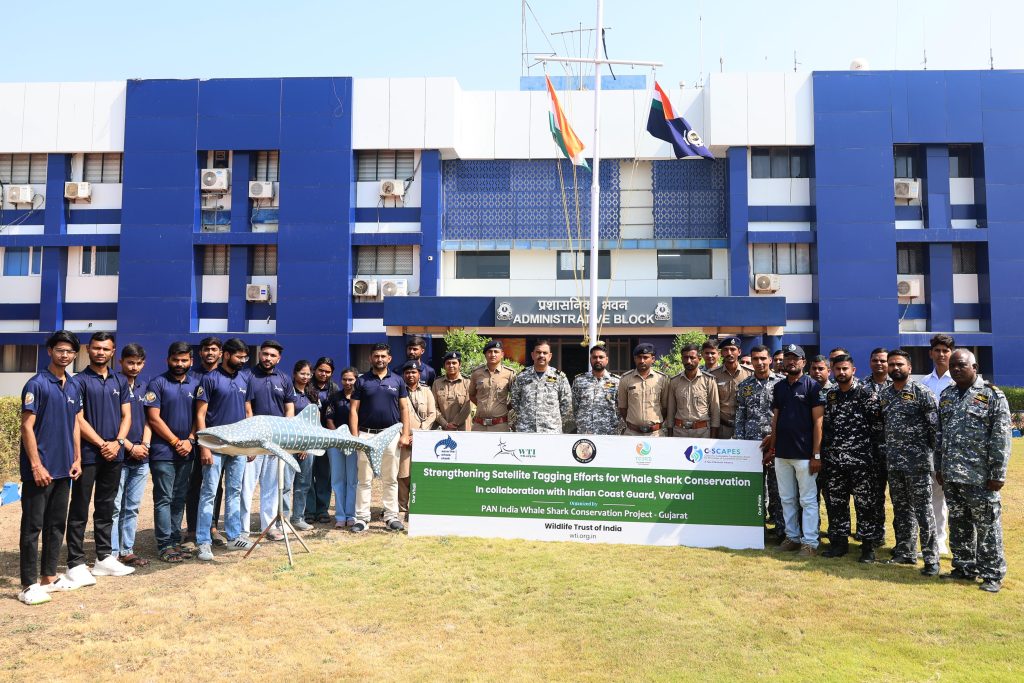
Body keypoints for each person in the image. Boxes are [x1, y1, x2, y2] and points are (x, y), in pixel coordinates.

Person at [936, 350, 1011, 593]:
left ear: (974, 367)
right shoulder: (947, 396)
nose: (956, 369)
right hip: (951, 474)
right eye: (953, 366)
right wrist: (939, 467)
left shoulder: (992, 396)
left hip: (980, 476)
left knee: (987, 525)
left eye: (961, 365)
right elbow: (940, 435)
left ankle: (992, 574)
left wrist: (997, 473)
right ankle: (964, 567)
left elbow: (1001, 438)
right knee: (959, 524)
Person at [18, 331, 84, 605]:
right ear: (50, 351)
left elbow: (75, 424)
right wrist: (35, 465)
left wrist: (77, 458)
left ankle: (49, 577)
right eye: (60, 350)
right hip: (41, 471)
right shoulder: (36, 384)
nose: (65, 355)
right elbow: (26, 426)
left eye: (69, 351)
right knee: (32, 527)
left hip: (63, 469)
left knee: (56, 525)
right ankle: (28, 584)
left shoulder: (73, 386)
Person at [66, 331, 134, 583]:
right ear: (88, 349)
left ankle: (104, 558)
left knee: (106, 507)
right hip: (87, 455)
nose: (100, 352)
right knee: (79, 508)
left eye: (105, 349)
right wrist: (101, 443)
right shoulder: (78, 381)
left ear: (113, 351)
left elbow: (127, 416)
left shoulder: (120, 381)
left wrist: (117, 443)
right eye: (96, 348)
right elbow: (77, 418)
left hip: (114, 454)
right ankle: (75, 562)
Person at [879, 349, 940, 575]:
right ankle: (905, 552)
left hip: (918, 465)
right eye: (892, 364)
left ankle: (931, 559)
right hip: (894, 464)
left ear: (909, 368)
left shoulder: (922, 393)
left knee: (924, 512)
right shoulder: (886, 395)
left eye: (900, 364)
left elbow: (935, 429)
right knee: (902, 510)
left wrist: (933, 459)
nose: (895, 368)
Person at [820, 354, 884, 562]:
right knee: (837, 504)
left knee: (865, 505)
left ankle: (868, 547)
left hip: (862, 462)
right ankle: (839, 544)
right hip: (835, 462)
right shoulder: (831, 396)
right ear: (832, 370)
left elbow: (877, 429)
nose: (841, 373)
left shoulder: (866, 395)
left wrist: (871, 457)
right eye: (837, 369)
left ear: (853, 370)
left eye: (845, 369)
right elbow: (826, 427)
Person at [195, 338, 254, 561]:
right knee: (209, 493)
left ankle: (234, 537)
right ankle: (203, 541)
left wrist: (248, 444)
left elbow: (248, 412)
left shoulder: (244, 378)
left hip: (238, 447)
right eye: (239, 356)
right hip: (214, 444)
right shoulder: (210, 379)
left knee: (234, 491)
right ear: (226, 355)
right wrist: (205, 447)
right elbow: (200, 415)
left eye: (245, 357)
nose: (242, 361)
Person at [765, 344, 825, 556]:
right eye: (788, 358)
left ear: (803, 362)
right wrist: (772, 448)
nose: (791, 361)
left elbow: (818, 423)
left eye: (795, 358)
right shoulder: (780, 387)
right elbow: (776, 419)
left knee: (807, 500)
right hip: (782, 453)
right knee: (787, 498)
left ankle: (810, 543)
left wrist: (816, 454)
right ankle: (792, 537)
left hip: (805, 455)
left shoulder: (812, 387)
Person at [145, 341, 200, 563]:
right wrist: (176, 441)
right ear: (168, 360)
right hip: (163, 452)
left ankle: (176, 541)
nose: (179, 364)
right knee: (164, 498)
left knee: (179, 498)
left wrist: (191, 439)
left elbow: (200, 416)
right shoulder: (157, 383)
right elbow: (153, 418)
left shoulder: (196, 385)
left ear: (191, 361)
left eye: (184, 360)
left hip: (187, 451)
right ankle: (164, 544)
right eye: (175, 360)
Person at [350, 343, 412, 533]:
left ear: (389, 358)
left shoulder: (398, 381)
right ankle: (361, 518)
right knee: (364, 479)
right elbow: (353, 409)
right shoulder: (362, 381)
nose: (380, 359)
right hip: (366, 435)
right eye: (376, 356)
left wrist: (404, 434)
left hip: (391, 435)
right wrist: (355, 437)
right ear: (371, 358)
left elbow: (404, 409)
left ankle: (391, 517)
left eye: (383, 356)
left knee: (390, 478)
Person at [242, 340, 295, 541]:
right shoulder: (248, 376)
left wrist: (285, 436)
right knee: (246, 487)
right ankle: (243, 530)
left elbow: (289, 408)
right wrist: (251, 440)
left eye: (272, 355)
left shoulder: (284, 379)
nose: (267, 358)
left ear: (278, 358)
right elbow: (247, 408)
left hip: (275, 441)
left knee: (271, 488)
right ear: (259, 355)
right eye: (265, 354)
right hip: (254, 441)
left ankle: (269, 527)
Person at [734, 345, 784, 541]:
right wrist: (740, 445)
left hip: (777, 445)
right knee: (754, 490)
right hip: (751, 446)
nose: (759, 362)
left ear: (770, 360)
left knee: (778, 489)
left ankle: (781, 531)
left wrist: (777, 438)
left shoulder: (781, 384)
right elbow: (740, 417)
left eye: (763, 358)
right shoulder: (744, 386)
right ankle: (757, 529)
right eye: (755, 359)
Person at [110, 344, 152, 568]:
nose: (134, 367)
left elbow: (150, 419)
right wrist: (128, 446)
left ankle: (127, 550)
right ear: (120, 362)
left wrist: (144, 444)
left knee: (132, 506)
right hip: (120, 455)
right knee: (115, 506)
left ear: (143, 364)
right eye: (130, 363)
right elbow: (113, 421)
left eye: (138, 363)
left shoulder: (146, 386)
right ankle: (112, 552)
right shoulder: (113, 385)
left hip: (142, 457)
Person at [185, 336, 225, 550]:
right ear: (200, 353)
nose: (210, 353)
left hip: (218, 442)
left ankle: (212, 527)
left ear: (221, 353)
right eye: (206, 349)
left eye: (214, 349)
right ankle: (192, 530)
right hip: (195, 439)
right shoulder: (192, 377)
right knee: (194, 484)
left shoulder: (225, 377)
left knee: (216, 486)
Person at [921, 333, 955, 556]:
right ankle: (939, 540)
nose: (941, 354)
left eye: (946, 350)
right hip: (933, 449)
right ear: (931, 353)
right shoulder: (924, 382)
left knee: (959, 499)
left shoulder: (962, 379)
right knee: (935, 496)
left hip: (957, 448)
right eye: (938, 350)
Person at [509, 339, 574, 433]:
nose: (541, 355)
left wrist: (551, 418)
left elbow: (566, 402)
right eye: (538, 352)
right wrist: (526, 416)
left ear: (550, 356)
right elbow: (515, 400)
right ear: (532, 355)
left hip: (551, 430)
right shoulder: (522, 376)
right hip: (526, 429)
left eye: (545, 353)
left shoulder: (559, 377)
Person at [861, 348, 891, 547]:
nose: (879, 363)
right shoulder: (862, 386)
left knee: (901, 500)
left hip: (896, 452)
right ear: (870, 362)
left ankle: (904, 541)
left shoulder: (898, 385)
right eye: (875, 360)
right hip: (870, 451)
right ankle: (875, 534)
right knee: (873, 496)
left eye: (882, 360)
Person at [283, 360, 319, 529]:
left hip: (307, 446)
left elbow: (314, 423)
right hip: (290, 445)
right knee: (286, 484)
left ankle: (298, 518)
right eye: (302, 373)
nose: (305, 377)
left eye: (308, 374)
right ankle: (283, 519)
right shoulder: (288, 392)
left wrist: (307, 446)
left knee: (303, 484)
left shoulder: (312, 394)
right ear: (295, 374)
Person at [400, 361, 437, 516]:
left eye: (413, 372)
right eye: (407, 372)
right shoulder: (398, 390)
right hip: (403, 439)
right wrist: (404, 435)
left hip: (422, 439)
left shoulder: (427, 391)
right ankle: (402, 508)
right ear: (404, 375)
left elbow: (432, 414)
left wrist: (420, 434)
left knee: (419, 472)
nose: (410, 375)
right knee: (403, 474)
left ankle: (417, 507)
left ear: (419, 374)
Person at [306, 357, 340, 525]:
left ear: (331, 373)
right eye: (321, 370)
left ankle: (322, 510)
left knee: (324, 475)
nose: (323, 374)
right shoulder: (306, 385)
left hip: (326, 437)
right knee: (307, 474)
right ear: (314, 370)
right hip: (308, 437)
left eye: (327, 371)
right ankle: (309, 510)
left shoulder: (334, 388)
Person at [324, 367, 359, 529]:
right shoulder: (334, 397)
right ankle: (340, 515)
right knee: (338, 480)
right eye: (344, 379)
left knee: (352, 480)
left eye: (351, 379)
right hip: (336, 443)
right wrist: (337, 437)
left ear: (356, 380)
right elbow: (329, 419)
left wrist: (354, 439)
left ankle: (351, 515)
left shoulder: (360, 397)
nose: (347, 382)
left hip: (353, 443)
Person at [666, 343, 720, 438]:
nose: (689, 361)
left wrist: (713, 436)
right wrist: (670, 434)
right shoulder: (674, 381)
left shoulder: (709, 380)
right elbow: (671, 410)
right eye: (685, 358)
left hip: (702, 432)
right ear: (682, 359)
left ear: (699, 359)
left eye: (692, 357)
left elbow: (715, 411)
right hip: (679, 432)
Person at [618, 343, 670, 436]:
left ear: (653, 359)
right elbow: (623, 408)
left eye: (645, 357)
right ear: (634, 359)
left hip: (655, 434)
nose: (642, 361)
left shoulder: (662, 379)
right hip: (632, 433)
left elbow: (665, 407)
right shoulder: (625, 379)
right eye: (639, 357)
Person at [571, 345, 622, 435]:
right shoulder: (579, 380)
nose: (598, 360)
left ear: (606, 360)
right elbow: (574, 407)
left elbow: (620, 408)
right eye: (595, 357)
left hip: (609, 432)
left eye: (601, 357)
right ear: (590, 359)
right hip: (585, 431)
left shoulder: (617, 381)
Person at [708, 337, 751, 439]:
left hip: (744, 427)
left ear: (739, 352)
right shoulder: (712, 374)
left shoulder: (750, 374)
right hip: (721, 428)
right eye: (726, 350)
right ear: (721, 353)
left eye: (733, 349)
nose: (729, 353)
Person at [469, 340, 516, 431]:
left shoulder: (509, 374)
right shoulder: (476, 373)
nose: (493, 354)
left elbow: (516, 397)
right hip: (479, 425)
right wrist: (481, 405)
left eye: (496, 352)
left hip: (500, 424)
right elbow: (471, 395)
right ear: (485, 355)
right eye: (490, 352)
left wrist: (504, 408)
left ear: (502, 354)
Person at [433, 351, 471, 431]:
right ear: (444, 366)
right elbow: (433, 407)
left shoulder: (467, 382)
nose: (451, 366)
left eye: (454, 363)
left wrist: (455, 423)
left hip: (463, 429)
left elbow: (468, 406)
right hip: (443, 428)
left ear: (459, 365)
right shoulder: (437, 383)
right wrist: (445, 424)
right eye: (448, 363)